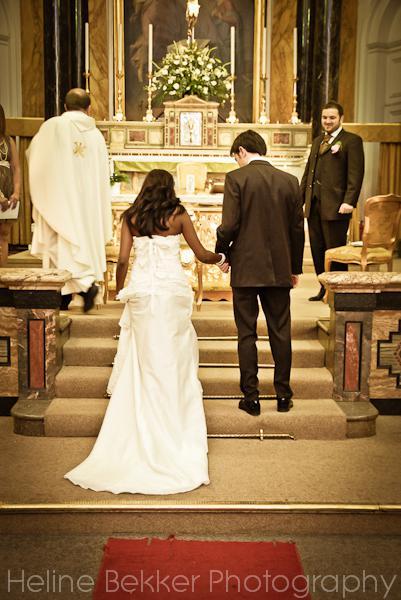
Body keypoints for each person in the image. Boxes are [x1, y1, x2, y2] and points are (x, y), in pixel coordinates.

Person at [65, 169, 226, 494]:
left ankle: (138, 427)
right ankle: (172, 426)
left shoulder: (131, 216)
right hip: (170, 293)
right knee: (173, 360)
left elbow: (123, 260)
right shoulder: (178, 215)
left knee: (141, 360)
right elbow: (200, 253)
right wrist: (222, 257)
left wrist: (120, 290)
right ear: (169, 188)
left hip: (142, 295)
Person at [216, 130, 304, 416]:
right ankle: (283, 396)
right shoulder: (290, 181)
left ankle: (251, 398)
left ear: (241, 151)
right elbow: (296, 231)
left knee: (247, 333)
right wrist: (294, 268)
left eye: (235, 157)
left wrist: (223, 253)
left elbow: (229, 224)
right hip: (279, 268)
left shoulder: (236, 178)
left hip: (246, 268)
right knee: (281, 331)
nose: (237, 162)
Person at [27, 88, 112, 311]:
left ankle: (74, 290)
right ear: (89, 108)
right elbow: (102, 177)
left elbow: (34, 154)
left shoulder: (53, 126)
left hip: (61, 199)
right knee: (78, 240)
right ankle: (76, 289)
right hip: (87, 205)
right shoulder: (96, 136)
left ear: (65, 106)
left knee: (60, 241)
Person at [301, 101, 364, 301]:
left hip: (337, 206)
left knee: (335, 249)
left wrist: (349, 201)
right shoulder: (319, 140)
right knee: (318, 249)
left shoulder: (351, 141)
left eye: (332, 118)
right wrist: (300, 199)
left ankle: (339, 290)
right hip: (314, 205)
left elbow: (356, 174)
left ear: (341, 118)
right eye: (325, 117)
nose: (327, 121)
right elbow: (308, 173)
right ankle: (323, 288)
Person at [0, 104, 21, 267]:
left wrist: (16, 192)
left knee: (4, 236)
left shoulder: (9, 141)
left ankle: (3, 273)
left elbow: (16, 167)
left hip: (8, 192)